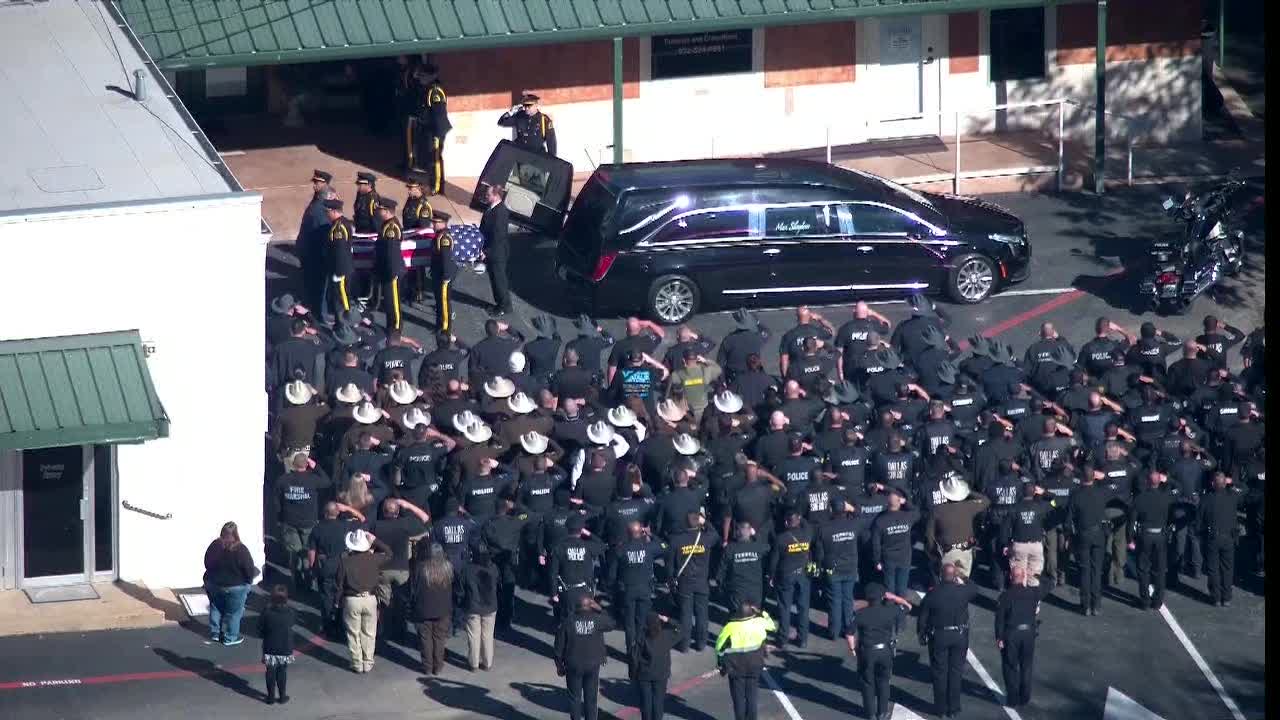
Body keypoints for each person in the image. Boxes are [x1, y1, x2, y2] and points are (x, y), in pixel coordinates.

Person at [917, 563, 980, 719]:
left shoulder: (933, 594)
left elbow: (922, 618)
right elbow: (974, 588)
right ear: (954, 577)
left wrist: (922, 634)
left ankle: (941, 709)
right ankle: (954, 708)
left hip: (939, 636)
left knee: (939, 673)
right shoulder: (963, 591)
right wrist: (963, 578)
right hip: (959, 635)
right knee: (956, 673)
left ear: (940, 576)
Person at [848, 582, 913, 720]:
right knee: (883, 681)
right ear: (883, 597)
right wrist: (894, 597)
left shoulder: (860, 614)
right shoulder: (890, 611)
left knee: (867, 682)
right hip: (885, 651)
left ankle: (870, 714)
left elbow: (849, 634)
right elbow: (908, 606)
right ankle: (882, 712)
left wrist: (853, 648)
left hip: (867, 652)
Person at [995, 566, 1054, 709]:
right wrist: (1036, 575)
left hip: (1011, 635)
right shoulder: (1033, 593)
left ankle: (1013, 698)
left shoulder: (1005, 596)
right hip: (1028, 635)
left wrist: (999, 637)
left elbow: (1000, 620)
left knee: (1010, 667)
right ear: (1024, 577)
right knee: (1026, 666)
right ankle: (1025, 697)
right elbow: (1050, 584)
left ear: (1010, 577)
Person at [335, 529, 391, 673]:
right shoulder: (374, 558)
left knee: (353, 633)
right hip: (370, 598)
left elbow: (339, 584)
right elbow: (389, 553)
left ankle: (357, 663)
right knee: (369, 632)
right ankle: (368, 662)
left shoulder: (345, 562)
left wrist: (337, 601)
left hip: (351, 600)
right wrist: (375, 540)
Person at [555, 595, 616, 720]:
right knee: (591, 698)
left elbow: (558, 647)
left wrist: (559, 666)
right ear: (590, 606)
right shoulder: (597, 619)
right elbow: (612, 623)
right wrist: (600, 609)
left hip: (573, 665)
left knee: (574, 698)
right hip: (592, 665)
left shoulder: (568, 622)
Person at [715, 603, 776, 720]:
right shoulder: (759, 622)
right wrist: (762, 612)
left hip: (736, 667)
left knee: (738, 699)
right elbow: (772, 626)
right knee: (752, 696)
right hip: (755, 665)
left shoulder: (730, 627)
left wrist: (720, 663)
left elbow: (719, 647)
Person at [203, 521, 258, 646]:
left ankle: (215, 632)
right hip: (235, 586)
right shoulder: (241, 549)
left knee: (216, 606)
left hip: (215, 584)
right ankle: (230, 637)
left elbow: (207, 563)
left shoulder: (215, 545)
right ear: (236, 533)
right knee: (234, 613)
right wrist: (248, 583)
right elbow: (249, 569)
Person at [410, 542, 454, 676]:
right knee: (440, 639)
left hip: (423, 610)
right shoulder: (448, 568)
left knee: (425, 639)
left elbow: (414, 590)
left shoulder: (420, 568)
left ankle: (427, 667)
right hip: (443, 609)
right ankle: (438, 666)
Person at [1198, 471, 1241, 607]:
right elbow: (1244, 489)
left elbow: (1199, 521)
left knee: (1213, 569)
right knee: (1227, 569)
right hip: (1229, 537)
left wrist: (1201, 534)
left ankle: (1216, 597)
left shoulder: (1206, 499)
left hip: (1212, 537)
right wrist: (1232, 483)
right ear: (1225, 484)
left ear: (1212, 484)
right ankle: (1226, 597)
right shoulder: (1233, 497)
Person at [631, 612, 679, 720]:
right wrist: (668, 619)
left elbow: (634, 657)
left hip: (645, 675)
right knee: (658, 701)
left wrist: (633, 673)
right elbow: (681, 629)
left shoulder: (642, 637)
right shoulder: (667, 635)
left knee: (646, 702)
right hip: (661, 674)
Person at [412, 63, 451, 194]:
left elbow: (439, 114)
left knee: (435, 159)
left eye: (423, 76)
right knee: (429, 159)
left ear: (430, 76)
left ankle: (436, 187)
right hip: (429, 129)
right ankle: (431, 182)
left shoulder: (435, 91)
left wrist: (437, 134)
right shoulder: (427, 88)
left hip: (436, 130)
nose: (420, 78)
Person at [299, 170, 334, 314]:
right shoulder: (317, 199)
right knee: (312, 283)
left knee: (319, 286)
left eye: (317, 182)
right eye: (314, 182)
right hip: (308, 248)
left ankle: (321, 314)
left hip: (316, 252)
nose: (314, 185)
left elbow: (323, 231)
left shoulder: (323, 206)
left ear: (325, 184)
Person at [462, 546, 499, 671]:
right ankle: (487, 663)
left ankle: (474, 664)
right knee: (488, 635)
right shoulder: (493, 568)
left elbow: (462, 588)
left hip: (473, 607)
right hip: (490, 606)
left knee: (473, 635)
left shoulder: (467, 569)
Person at [258, 585, 297, 705]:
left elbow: (259, 629)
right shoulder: (290, 612)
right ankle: (282, 696)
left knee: (270, 671)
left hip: (270, 646)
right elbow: (292, 624)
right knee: (282, 672)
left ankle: (270, 697)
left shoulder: (266, 612)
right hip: (285, 646)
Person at [479, 183, 512, 316]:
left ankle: (504, 307)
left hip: (497, 253)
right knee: (495, 279)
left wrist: (486, 252)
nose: (486, 196)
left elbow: (498, 236)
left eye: (488, 194)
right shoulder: (492, 208)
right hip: (493, 251)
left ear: (497, 196)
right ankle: (501, 303)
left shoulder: (500, 212)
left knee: (499, 281)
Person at [373, 196, 405, 332]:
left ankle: (396, 328)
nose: (377, 212)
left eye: (380, 209)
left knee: (394, 303)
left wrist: (391, 274)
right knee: (388, 302)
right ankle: (390, 326)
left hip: (392, 271)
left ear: (386, 211)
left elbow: (392, 253)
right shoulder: (386, 224)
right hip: (387, 270)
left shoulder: (391, 228)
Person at [324, 198, 355, 319]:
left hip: (341, 268)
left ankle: (347, 319)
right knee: (340, 294)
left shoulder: (339, 228)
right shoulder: (343, 223)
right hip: (342, 266)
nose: (327, 214)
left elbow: (340, 251)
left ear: (333, 211)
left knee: (342, 296)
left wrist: (339, 271)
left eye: (328, 212)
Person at [430, 211, 457, 332]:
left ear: (443, 223)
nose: (433, 225)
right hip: (438, 273)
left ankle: (445, 329)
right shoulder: (439, 235)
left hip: (444, 275)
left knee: (444, 304)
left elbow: (445, 259)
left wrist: (446, 277)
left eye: (435, 222)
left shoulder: (444, 238)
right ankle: (439, 325)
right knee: (439, 302)